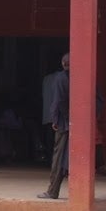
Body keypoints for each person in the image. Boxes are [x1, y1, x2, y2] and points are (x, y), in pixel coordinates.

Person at [38, 53, 70, 199]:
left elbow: (57, 101)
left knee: (59, 156)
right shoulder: (81, 77)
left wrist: (55, 120)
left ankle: (53, 190)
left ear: (63, 63)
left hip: (64, 123)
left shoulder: (60, 78)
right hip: (80, 123)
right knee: (68, 156)